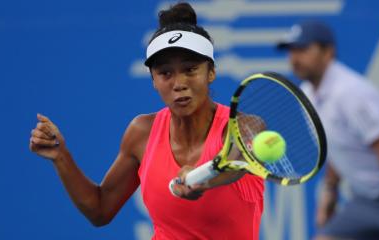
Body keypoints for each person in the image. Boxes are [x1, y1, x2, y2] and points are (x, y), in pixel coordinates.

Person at [29, 2, 264, 239]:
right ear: (153, 80)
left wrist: (206, 179)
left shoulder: (245, 126)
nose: (179, 83)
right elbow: (100, 209)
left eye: (190, 69)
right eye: (165, 73)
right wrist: (61, 157)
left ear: (211, 72)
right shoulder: (142, 132)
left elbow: (235, 163)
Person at [277, 20, 379, 240]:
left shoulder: (351, 93)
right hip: (366, 199)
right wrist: (330, 191)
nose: (294, 58)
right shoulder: (308, 92)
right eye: (291, 51)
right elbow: (337, 146)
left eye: (303, 50)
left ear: (328, 52)